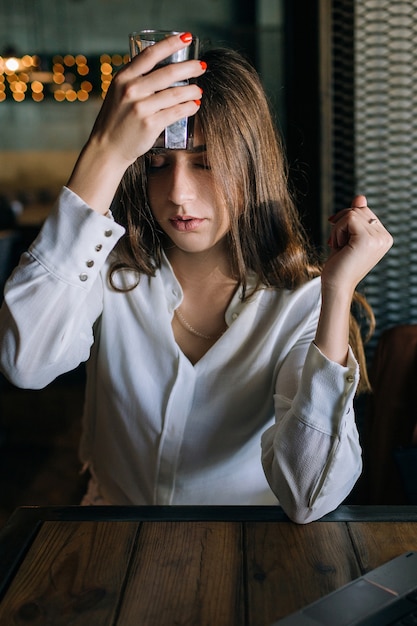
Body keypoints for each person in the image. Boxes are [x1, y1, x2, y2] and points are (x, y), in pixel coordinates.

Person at [0, 33, 393, 523]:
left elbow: (309, 495)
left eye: (205, 164)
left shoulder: (298, 302)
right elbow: (26, 361)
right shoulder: (107, 268)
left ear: (249, 167)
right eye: (158, 165)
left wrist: (336, 295)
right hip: (111, 543)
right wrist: (106, 152)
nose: (179, 194)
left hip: (247, 552)